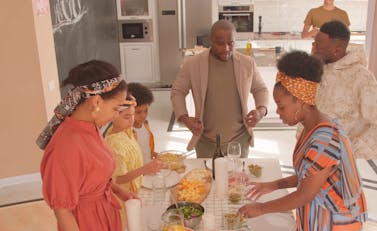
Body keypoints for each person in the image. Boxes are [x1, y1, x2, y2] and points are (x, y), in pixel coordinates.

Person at [238, 51, 368, 231]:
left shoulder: (323, 139)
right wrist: (275, 184)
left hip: (335, 226)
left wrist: (261, 209)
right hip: (319, 218)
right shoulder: (313, 126)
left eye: (281, 106)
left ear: (300, 100)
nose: (277, 112)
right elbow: (309, 175)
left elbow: (304, 195)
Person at [38, 60, 136, 231]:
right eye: (115, 108)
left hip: (103, 216)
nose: (116, 115)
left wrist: (119, 190)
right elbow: (62, 211)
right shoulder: (65, 146)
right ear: (96, 102)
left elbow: (93, 173)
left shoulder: (89, 128)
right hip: (86, 228)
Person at [171, 20, 269, 158]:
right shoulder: (192, 64)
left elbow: (260, 89)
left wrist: (261, 111)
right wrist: (185, 118)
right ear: (211, 40)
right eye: (220, 43)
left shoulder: (247, 63)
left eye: (231, 43)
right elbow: (178, 92)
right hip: (206, 141)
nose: (226, 48)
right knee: (207, 178)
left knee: (236, 179)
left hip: (239, 141)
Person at [312, 20, 377, 159]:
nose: (314, 48)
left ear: (336, 49)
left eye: (319, 45)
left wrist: (349, 153)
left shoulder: (361, 78)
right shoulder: (320, 68)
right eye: (314, 43)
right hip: (315, 150)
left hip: (341, 158)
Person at [105, 97, 163, 194]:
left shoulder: (127, 131)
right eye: (127, 117)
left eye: (132, 115)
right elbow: (117, 179)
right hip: (124, 195)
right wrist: (145, 169)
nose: (131, 120)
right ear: (112, 116)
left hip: (136, 188)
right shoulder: (114, 143)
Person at [128, 82, 157, 164]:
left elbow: (144, 147)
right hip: (138, 172)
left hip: (148, 168)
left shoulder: (145, 125)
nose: (143, 116)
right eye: (138, 112)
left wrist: (155, 154)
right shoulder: (126, 132)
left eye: (146, 111)